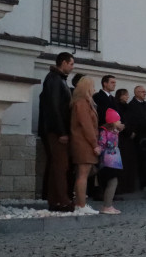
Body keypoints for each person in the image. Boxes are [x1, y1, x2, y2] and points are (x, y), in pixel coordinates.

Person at [38, 52, 74, 212]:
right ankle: (63, 200)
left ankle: (55, 200)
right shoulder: (54, 79)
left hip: (56, 129)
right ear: (64, 63)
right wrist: (61, 132)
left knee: (56, 165)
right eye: (71, 64)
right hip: (55, 131)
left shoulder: (57, 79)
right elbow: (54, 108)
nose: (72, 67)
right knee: (61, 165)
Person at [68, 76, 101, 214]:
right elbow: (87, 125)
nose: (94, 89)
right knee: (83, 175)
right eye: (92, 86)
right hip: (84, 143)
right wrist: (94, 144)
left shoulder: (81, 102)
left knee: (81, 175)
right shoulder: (82, 103)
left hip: (83, 142)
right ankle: (81, 205)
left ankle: (80, 204)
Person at [95, 108, 124, 214]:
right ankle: (107, 206)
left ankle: (108, 205)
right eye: (118, 120)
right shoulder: (104, 130)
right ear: (113, 121)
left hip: (114, 161)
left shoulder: (115, 131)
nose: (120, 122)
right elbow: (102, 143)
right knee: (112, 181)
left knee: (113, 182)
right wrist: (99, 150)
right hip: (108, 161)